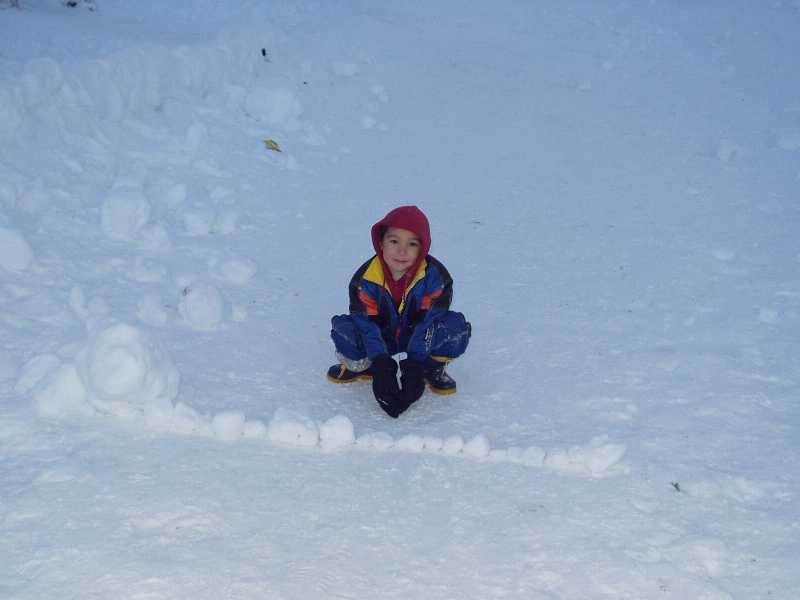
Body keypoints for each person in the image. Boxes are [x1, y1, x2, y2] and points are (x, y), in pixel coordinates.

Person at [327, 205, 471, 418]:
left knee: (455, 329)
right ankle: (365, 365)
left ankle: (431, 367)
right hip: (381, 337)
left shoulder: (435, 278)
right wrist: (381, 364)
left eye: (412, 244)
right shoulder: (365, 279)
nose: (402, 251)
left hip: (416, 337)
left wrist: (415, 365)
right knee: (346, 331)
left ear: (423, 248)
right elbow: (366, 324)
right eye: (394, 241)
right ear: (381, 243)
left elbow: (427, 324)